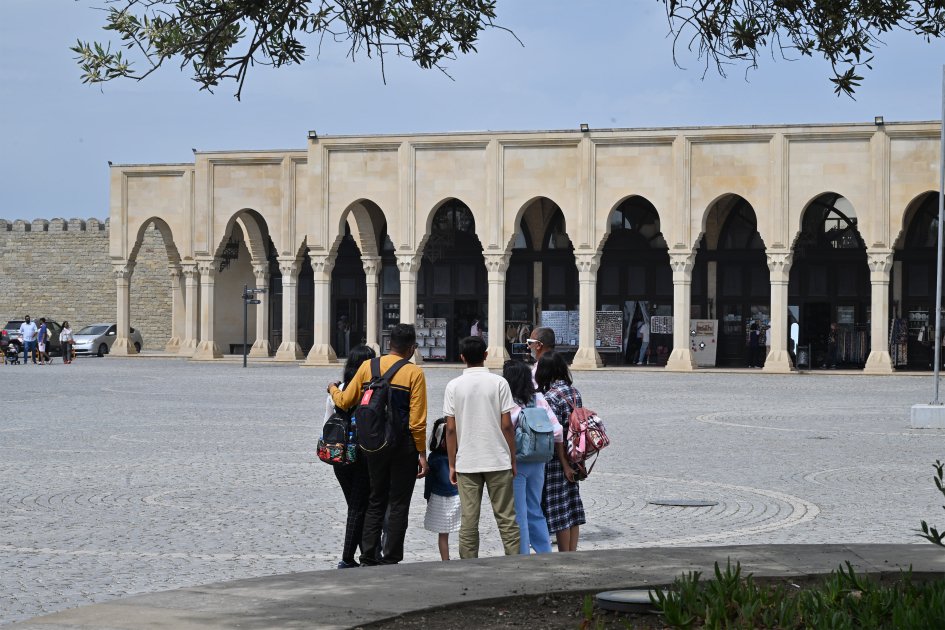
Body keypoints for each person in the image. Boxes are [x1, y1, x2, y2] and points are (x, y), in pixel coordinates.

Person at [327, 323, 428, 566]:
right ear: (411, 348)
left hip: (372, 445)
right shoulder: (414, 373)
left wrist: (332, 389)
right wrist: (422, 454)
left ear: (388, 344)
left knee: (375, 499)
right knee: (399, 503)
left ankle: (368, 556)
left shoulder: (367, 367)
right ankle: (390, 557)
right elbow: (417, 421)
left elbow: (345, 401)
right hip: (403, 446)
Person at [444, 336, 520, 559]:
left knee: (469, 520)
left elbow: (450, 429)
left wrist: (451, 464)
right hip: (497, 459)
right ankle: (515, 564)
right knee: (507, 518)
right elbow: (507, 425)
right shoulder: (499, 383)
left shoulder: (453, 386)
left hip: (467, 460)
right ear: (486, 355)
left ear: (462, 357)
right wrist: (512, 458)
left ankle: (469, 566)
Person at [502, 359, 567, 555]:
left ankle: (523, 554)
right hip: (538, 461)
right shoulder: (539, 399)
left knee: (519, 513)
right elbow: (557, 431)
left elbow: (506, 429)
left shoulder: (509, 402)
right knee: (535, 509)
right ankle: (544, 552)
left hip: (517, 462)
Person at [323, 344, 376, 568]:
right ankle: (347, 558)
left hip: (340, 455)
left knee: (356, 505)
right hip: (362, 455)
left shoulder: (338, 389)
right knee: (358, 506)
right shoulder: (371, 389)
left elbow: (327, 422)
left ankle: (368, 555)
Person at [534, 351, 582, 552]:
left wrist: (563, 464)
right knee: (572, 506)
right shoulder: (574, 392)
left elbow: (556, 434)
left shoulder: (551, 396)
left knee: (560, 510)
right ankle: (572, 552)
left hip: (557, 459)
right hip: (574, 454)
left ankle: (565, 556)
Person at [424, 418, 460, 560]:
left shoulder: (433, 458)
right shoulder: (458, 456)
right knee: (464, 529)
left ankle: (445, 560)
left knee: (443, 534)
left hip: (438, 498)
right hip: (457, 497)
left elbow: (429, 482)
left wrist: (427, 497)